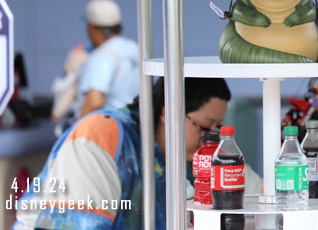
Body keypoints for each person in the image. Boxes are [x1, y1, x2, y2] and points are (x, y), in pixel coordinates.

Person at [12, 77, 262, 229]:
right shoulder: (101, 137)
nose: (211, 138)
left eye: (217, 129)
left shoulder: (191, 156)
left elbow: (258, 195)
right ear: (167, 112)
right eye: (204, 127)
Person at [75, 0, 139, 118]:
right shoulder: (134, 48)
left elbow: (94, 102)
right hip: (136, 125)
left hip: (111, 128)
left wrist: (76, 132)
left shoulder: (101, 56)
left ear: (91, 28)